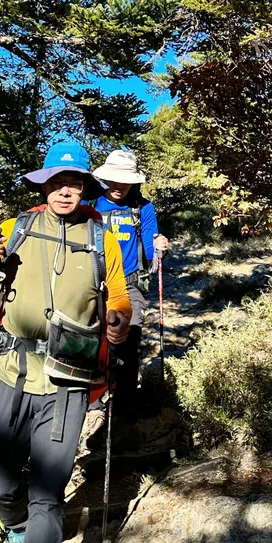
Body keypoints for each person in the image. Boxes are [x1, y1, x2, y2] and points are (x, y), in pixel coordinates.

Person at [0, 141, 131, 543]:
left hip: (69, 379)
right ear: (44, 185)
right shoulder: (16, 228)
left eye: (74, 184)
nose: (65, 191)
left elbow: (118, 295)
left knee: (48, 494)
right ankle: (15, 528)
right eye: (57, 182)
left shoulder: (102, 237)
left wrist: (119, 322)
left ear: (84, 189)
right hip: (12, 371)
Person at [91, 148, 169, 410]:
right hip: (93, 282)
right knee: (92, 338)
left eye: (125, 180)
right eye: (114, 179)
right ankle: (94, 400)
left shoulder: (142, 208)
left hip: (129, 283)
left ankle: (124, 402)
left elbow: (150, 252)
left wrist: (158, 247)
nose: (119, 185)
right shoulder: (90, 205)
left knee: (128, 334)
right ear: (105, 178)